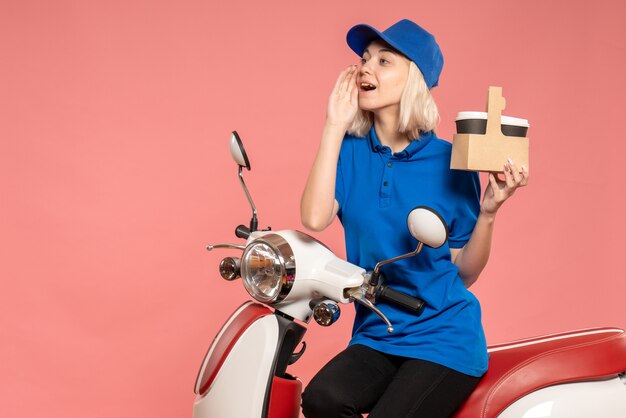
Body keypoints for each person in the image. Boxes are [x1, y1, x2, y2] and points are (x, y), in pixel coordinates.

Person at [299, 19, 528, 418]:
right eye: (364, 58)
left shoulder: (449, 161)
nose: (365, 68)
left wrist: (489, 212)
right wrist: (334, 125)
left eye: (384, 61)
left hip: (444, 338)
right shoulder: (350, 151)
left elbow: (465, 273)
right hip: (377, 332)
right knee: (322, 399)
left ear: (414, 80)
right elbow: (315, 218)